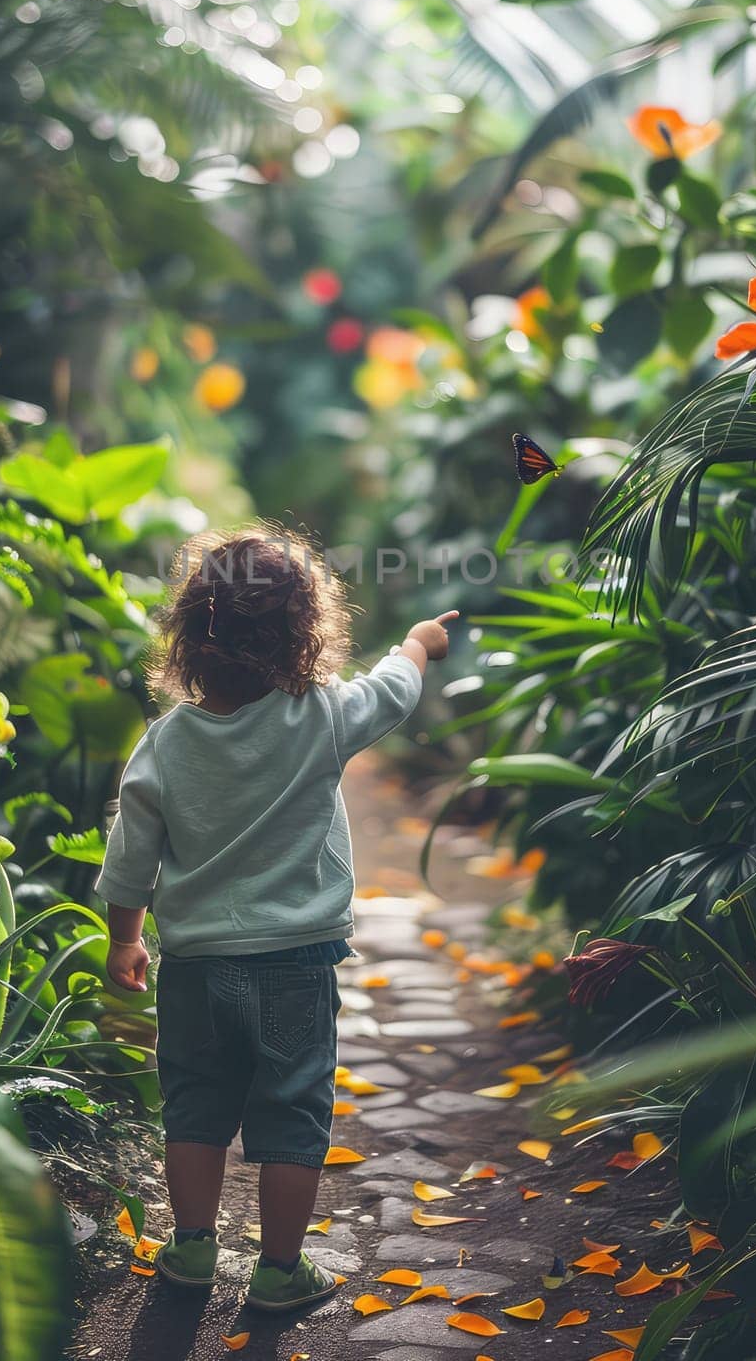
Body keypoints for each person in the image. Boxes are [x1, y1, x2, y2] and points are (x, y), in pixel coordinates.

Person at [95, 524, 456, 1309]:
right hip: (294, 961)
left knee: (193, 1105)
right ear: (304, 633)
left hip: (193, 965)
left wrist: (125, 939)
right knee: (293, 1112)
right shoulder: (321, 717)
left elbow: (130, 856)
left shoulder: (165, 743)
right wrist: (417, 644)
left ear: (191, 636)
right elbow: (392, 691)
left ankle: (190, 1253)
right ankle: (280, 1270)